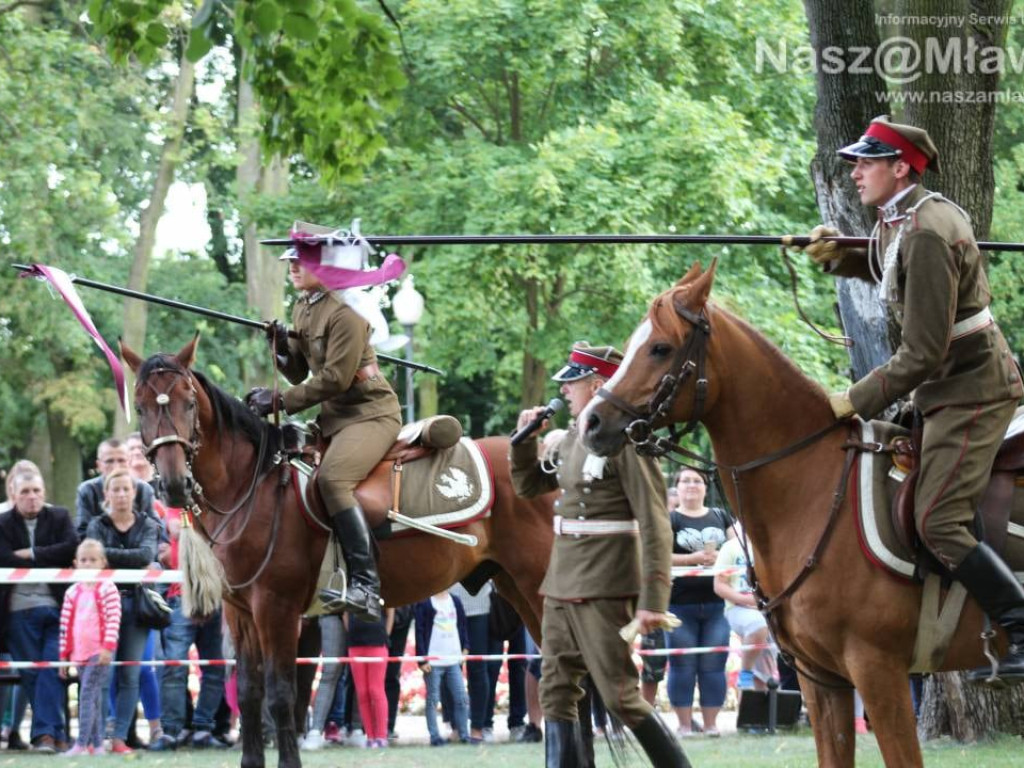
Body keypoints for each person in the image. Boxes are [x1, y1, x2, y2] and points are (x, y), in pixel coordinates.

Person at [800, 116, 1024, 683]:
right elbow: (891, 271)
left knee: (938, 521)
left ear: (900, 167)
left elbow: (922, 351)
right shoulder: (903, 219)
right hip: (945, 388)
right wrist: (840, 257)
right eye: (855, 163)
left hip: (971, 392)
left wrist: (852, 401)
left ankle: (1021, 626)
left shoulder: (926, 230)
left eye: (866, 162)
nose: (855, 172)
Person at [510, 342, 689, 767]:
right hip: (562, 581)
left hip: (606, 583)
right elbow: (530, 487)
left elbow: (656, 523)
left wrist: (654, 600)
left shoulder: (626, 441)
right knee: (555, 689)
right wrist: (523, 442)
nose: (564, 391)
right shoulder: (574, 438)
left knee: (619, 695)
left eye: (572, 383)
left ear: (597, 385)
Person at [246, 246, 402, 621]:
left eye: (301, 261)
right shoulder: (304, 306)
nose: (293, 267)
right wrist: (281, 348)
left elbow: (335, 379)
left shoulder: (347, 311)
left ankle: (366, 586)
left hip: (370, 414)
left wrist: (279, 401)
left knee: (333, 480)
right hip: (335, 418)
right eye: (290, 261)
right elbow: (300, 372)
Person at [0, 469, 77, 753]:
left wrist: (31, 554)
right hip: (18, 611)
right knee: (34, 672)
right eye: (25, 492)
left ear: (44, 492)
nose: (32, 497)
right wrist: (48, 556)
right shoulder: (3, 523)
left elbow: (70, 548)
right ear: (13, 495)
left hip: (57, 608)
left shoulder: (59, 516)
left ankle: (45, 735)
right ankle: (52, 734)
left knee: (52, 669)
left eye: (36, 491)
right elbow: (3, 558)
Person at [85, 468, 160, 755]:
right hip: (103, 605)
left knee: (131, 674)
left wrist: (110, 556)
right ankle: (96, 737)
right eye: (115, 489)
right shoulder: (97, 524)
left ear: (134, 493)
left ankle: (119, 737)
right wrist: (132, 561)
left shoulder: (148, 524)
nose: (121, 494)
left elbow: (147, 555)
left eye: (126, 489)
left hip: (137, 607)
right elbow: (96, 557)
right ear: (106, 494)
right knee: (103, 673)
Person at [150, 503, 227, 751]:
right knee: (174, 666)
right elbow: (174, 532)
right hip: (181, 597)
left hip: (214, 598)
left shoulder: (219, 508)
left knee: (215, 667)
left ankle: (203, 729)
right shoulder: (176, 511)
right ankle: (171, 732)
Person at [665, 468, 734, 737]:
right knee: (682, 665)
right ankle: (684, 726)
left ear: (706, 488)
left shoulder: (721, 516)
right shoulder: (670, 519)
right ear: (678, 487)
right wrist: (691, 560)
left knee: (714, 664)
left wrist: (721, 557)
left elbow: (738, 550)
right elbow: (658, 554)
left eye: (697, 481)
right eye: (686, 481)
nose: (692, 485)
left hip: (718, 605)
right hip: (679, 604)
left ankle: (711, 725)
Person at [58, 539, 122, 757]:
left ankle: (81, 743)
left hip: (99, 652)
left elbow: (114, 619)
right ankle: (98, 745)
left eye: (93, 560)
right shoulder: (71, 592)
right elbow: (65, 626)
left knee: (86, 693)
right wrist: (64, 656)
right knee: (93, 697)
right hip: (79, 653)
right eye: (83, 560)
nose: (88, 564)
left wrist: (107, 647)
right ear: (76, 563)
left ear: (103, 562)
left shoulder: (108, 588)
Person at [713, 524, 777, 692]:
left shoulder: (771, 544)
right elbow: (719, 585)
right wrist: (745, 600)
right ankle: (745, 672)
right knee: (758, 625)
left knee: (765, 671)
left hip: (769, 609)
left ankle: (759, 698)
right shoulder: (730, 548)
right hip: (738, 608)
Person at [414, 589, 470, 746]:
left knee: (461, 698)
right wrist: (422, 660)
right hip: (433, 662)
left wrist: (466, 647)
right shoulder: (425, 603)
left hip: (453, 660)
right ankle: (434, 736)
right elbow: (419, 631)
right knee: (433, 700)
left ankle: (464, 734)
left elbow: (463, 625)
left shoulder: (455, 601)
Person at [449, 581, 501, 743]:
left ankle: (477, 727)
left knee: (478, 668)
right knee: (450, 669)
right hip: (449, 606)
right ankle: (456, 727)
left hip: (480, 608)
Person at [75, 438, 157, 539]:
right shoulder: (87, 490)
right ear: (99, 465)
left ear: (129, 462)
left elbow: (156, 529)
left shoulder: (144, 489)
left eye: (121, 460)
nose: (116, 466)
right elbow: (82, 531)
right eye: (109, 461)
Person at [345, 607, 394, 748]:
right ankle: (370, 736)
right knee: (362, 692)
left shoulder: (381, 593)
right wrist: (351, 632)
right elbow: (345, 614)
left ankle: (381, 736)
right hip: (355, 645)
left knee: (375, 690)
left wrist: (385, 635)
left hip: (377, 643)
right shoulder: (349, 593)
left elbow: (391, 612)